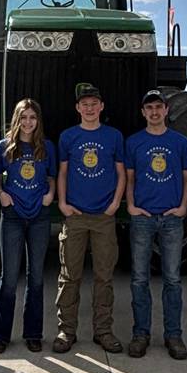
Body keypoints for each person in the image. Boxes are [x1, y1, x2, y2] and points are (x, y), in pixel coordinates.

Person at [54, 83, 126, 354]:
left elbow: (121, 173)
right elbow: (62, 172)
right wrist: (63, 202)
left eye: (94, 103)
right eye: (85, 104)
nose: (89, 108)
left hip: (103, 218)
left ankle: (103, 330)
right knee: (69, 276)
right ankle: (66, 330)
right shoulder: (68, 137)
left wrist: (115, 203)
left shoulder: (114, 136)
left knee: (103, 277)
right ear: (77, 108)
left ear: (101, 106)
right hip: (76, 216)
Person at [125, 89, 187, 360]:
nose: (154, 112)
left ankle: (173, 334)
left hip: (171, 218)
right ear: (143, 113)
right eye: (149, 108)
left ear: (166, 110)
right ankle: (141, 333)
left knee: (172, 279)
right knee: (139, 278)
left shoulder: (179, 142)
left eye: (158, 107)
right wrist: (131, 206)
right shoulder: (134, 142)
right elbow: (130, 178)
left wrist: (183, 207)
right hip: (143, 217)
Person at [0, 98, 56, 354]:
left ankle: (33, 333)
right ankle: (0, 334)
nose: (28, 122)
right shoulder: (3, 147)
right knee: (8, 277)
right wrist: (0, 193)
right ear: (16, 119)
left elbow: (51, 175)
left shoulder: (47, 147)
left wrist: (50, 193)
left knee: (36, 277)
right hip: (12, 216)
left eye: (33, 117)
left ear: (38, 121)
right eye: (24, 117)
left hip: (39, 215)